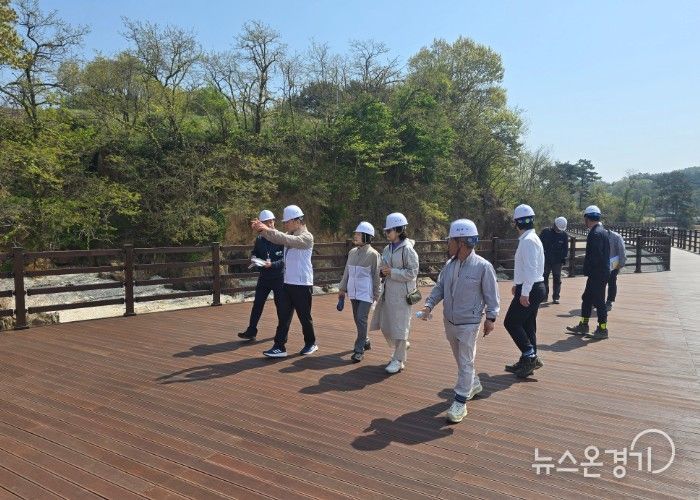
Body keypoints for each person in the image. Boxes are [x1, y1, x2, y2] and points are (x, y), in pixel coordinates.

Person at [418, 219, 500, 423]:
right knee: (462, 360)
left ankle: (460, 402)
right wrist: (428, 306)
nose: (448, 244)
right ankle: (474, 383)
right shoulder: (449, 265)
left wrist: (491, 318)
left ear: (461, 242)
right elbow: (439, 288)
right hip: (449, 322)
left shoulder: (483, 267)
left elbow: (492, 295)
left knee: (465, 361)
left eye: (450, 241)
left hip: (469, 323)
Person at [251, 205, 318, 357]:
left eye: (287, 222)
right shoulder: (289, 234)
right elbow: (276, 237)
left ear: (296, 220)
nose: (285, 224)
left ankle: (311, 343)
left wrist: (266, 229)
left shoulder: (307, 237)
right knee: (284, 316)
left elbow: (285, 239)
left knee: (304, 317)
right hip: (287, 282)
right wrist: (262, 230)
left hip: (302, 283)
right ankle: (279, 346)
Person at [370, 212, 419, 374]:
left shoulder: (408, 250)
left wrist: (392, 272)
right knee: (386, 324)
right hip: (388, 292)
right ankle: (402, 345)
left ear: (398, 230)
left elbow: (413, 272)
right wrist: (382, 271)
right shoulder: (387, 248)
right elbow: (382, 266)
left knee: (400, 327)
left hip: (403, 295)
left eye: (389, 230)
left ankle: (398, 360)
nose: (386, 233)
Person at [503, 204, 546, 378]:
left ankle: (530, 356)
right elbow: (526, 268)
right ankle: (527, 360)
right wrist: (518, 284)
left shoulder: (528, 241)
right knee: (528, 325)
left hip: (532, 287)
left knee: (511, 322)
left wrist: (525, 292)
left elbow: (530, 268)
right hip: (533, 285)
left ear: (517, 223)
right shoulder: (531, 238)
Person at [237, 210, 285, 341]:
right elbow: (255, 252)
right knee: (257, 304)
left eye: (272, 221)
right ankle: (251, 330)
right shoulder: (259, 239)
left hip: (279, 277)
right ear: (262, 223)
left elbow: (285, 260)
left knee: (280, 305)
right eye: (267, 222)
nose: (271, 223)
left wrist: (272, 264)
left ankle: (282, 332)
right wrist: (254, 258)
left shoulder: (280, 238)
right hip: (264, 276)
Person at [338, 222, 381, 362]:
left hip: (366, 293)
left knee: (361, 318)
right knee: (357, 318)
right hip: (353, 292)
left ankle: (359, 349)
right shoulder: (352, 252)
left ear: (367, 237)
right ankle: (365, 339)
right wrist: (342, 289)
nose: (355, 236)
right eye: (355, 234)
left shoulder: (373, 254)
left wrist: (376, 294)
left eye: (358, 234)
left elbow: (376, 276)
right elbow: (347, 272)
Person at [566, 205, 611, 340]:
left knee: (599, 301)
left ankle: (602, 329)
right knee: (587, 298)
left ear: (587, 218)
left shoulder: (595, 233)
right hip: (600, 272)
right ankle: (583, 325)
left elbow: (595, 256)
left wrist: (587, 268)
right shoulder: (602, 231)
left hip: (597, 273)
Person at [539, 216, 569, 304]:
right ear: (554, 224)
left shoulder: (564, 235)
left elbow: (565, 249)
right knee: (544, 278)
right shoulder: (545, 232)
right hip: (546, 260)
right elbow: (539, 245)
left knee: (557, 279)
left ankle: (556, 297)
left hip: (557, 262)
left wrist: (561, 257)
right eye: (558, 228)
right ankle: (544, 297)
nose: (559, 230)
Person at [606, 229, 626, 311]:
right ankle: (596, 300)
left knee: (612, 282)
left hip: (613, 263)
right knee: (599, 283)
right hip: (602, 263)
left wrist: (621, 263)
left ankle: (609, 301)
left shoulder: (616, 236)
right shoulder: (599, 236)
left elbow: (622, 250)